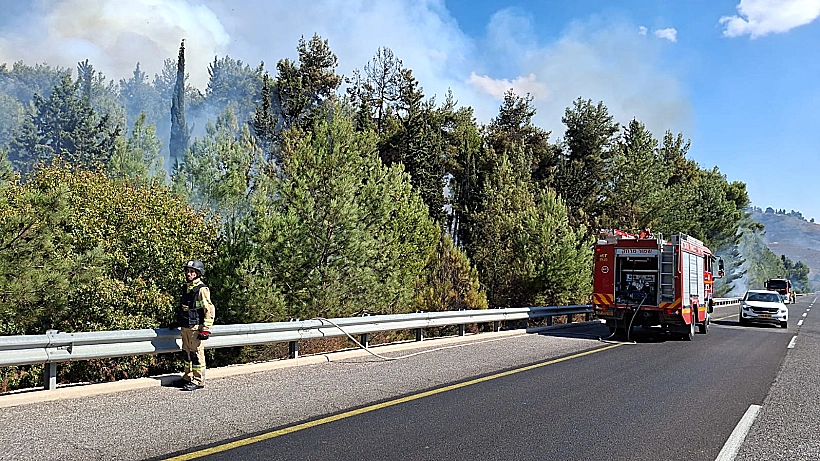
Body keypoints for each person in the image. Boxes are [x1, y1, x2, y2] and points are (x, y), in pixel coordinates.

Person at [170, 260, 215, 391]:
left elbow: (209, 309)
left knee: (196, 354)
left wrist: (206, 329)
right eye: (187, 271)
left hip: (196, 328)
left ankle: (198, 380)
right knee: (186, 354)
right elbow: (186, 308)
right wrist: (178, 322)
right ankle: (187, 377)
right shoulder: (187, 288)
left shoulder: (201, 290)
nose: (188, 274)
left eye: (192, 272)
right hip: (186, 327)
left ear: (198, 273)